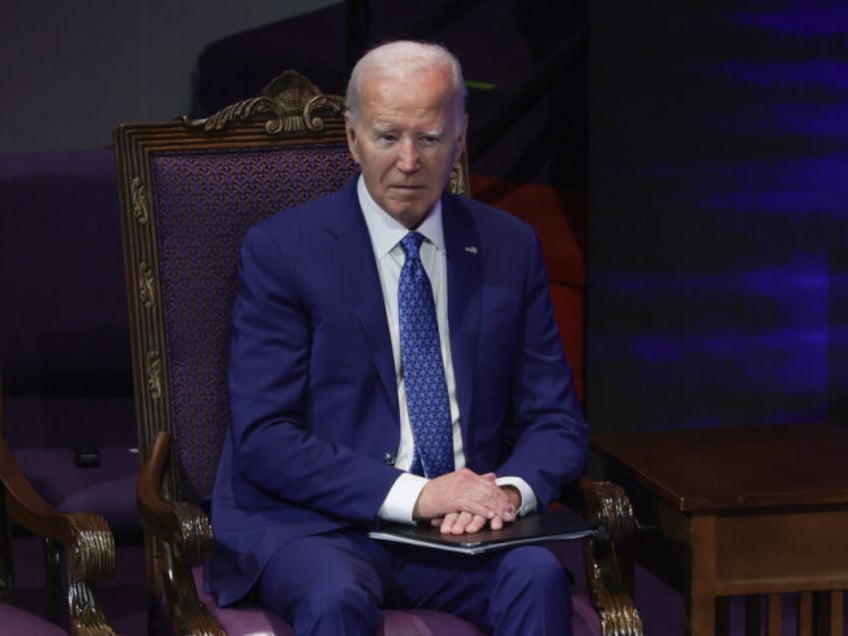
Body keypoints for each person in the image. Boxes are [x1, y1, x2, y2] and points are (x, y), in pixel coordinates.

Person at [207, 40, 589, 635]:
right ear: (353, 138)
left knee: (536, 576)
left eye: (430, 138)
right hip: (319, 525)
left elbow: (556, 421)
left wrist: (507, 495)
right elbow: (265, 437)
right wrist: (417, 495)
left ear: (460, 139)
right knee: (335, 599)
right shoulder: (284, 251)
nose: (408, 161)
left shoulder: (508, 247)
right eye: (388, 137)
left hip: (463, 531)